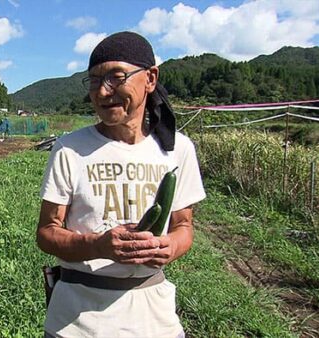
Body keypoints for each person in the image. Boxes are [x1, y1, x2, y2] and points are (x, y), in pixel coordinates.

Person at [36, 31, 206, 338]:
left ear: (150, 78)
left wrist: (171, 246)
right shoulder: (70, 149)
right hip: (76, 323)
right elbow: (47, 234)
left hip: (155, 321)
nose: (102, 92)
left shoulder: (178, 149)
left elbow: (184, 227)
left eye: (116, 77)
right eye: (94, 80)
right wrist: (99, 245)